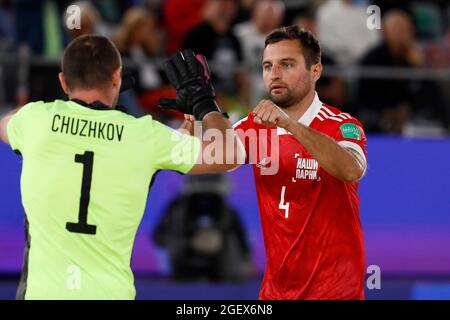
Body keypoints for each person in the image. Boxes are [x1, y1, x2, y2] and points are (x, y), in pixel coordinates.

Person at [0, 35, 243, 299]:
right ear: (117, 76)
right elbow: (228, 154)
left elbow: (7, 122)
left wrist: (78, 107)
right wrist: (203, 102)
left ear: (63, 81)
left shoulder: (35, 121)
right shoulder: (144, 135)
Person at [179, 25, 367, 299]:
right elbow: (201, 160)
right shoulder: (257, 126)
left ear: (316, 71)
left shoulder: (342, 125)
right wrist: (192, 125)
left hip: (335, 292)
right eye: (267, 66)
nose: (274, 74)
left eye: (286, 64)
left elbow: (351, 169)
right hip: (275, 294)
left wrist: (291, 125)